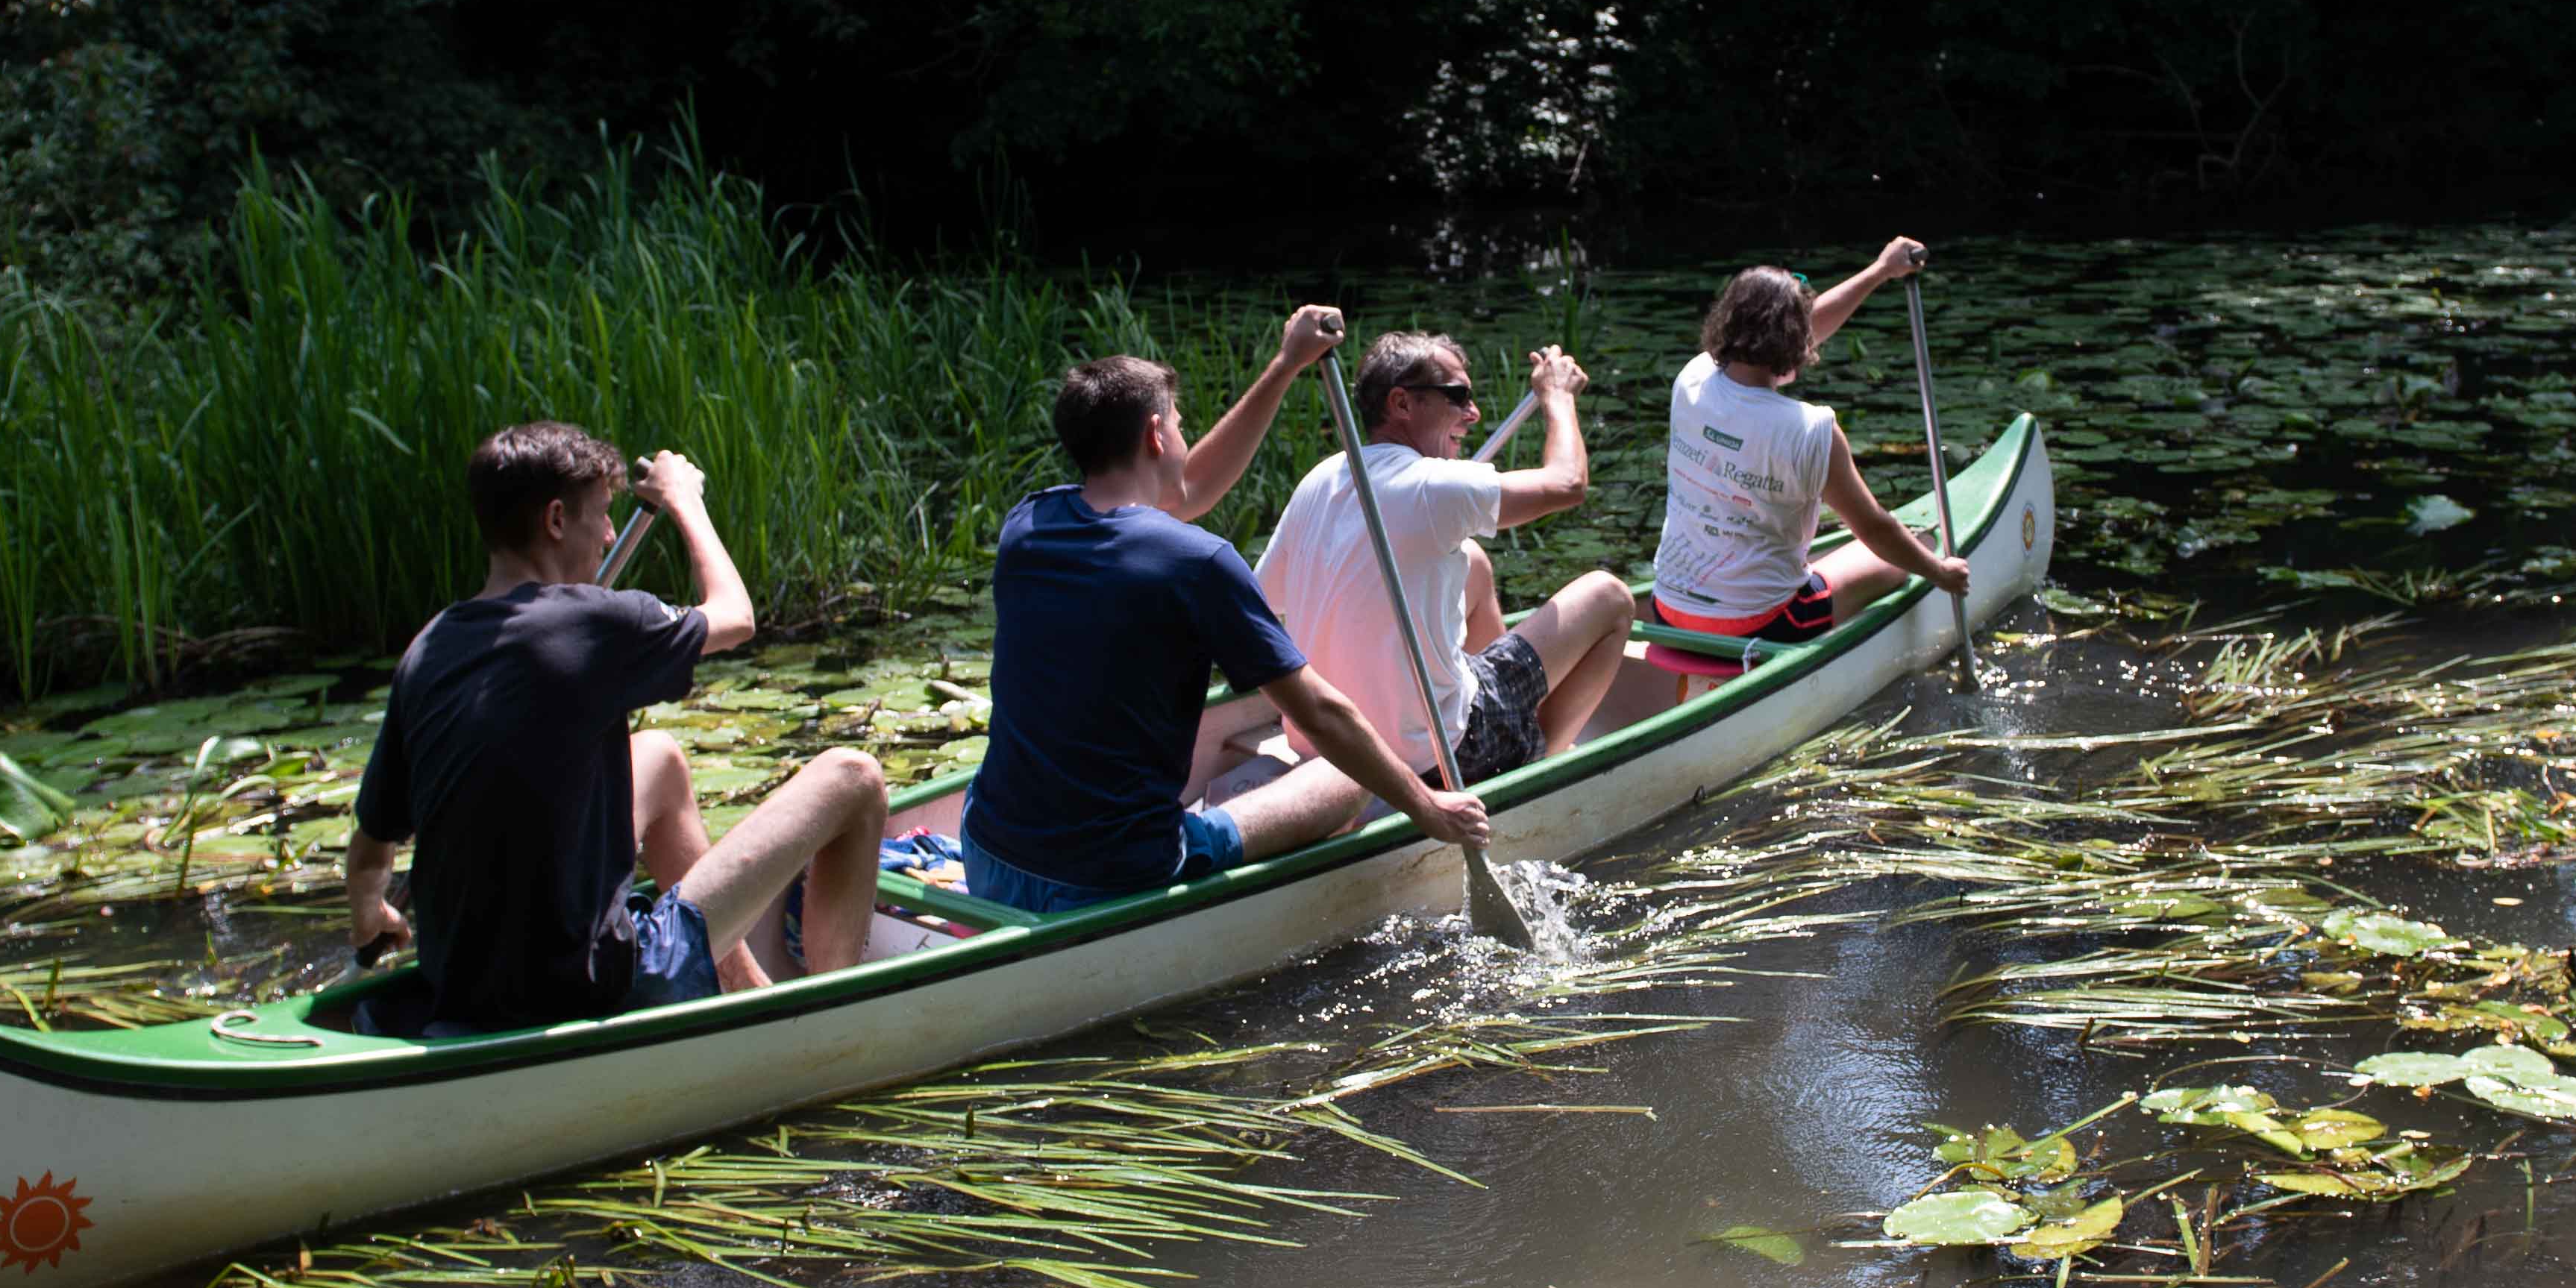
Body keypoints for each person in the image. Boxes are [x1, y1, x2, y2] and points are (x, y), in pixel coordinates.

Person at [343, 423, 886, 1037]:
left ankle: (743, 990)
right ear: (554, 520)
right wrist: (684, 499)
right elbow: (736, 616)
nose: (608, 535)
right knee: (855, 777)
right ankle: (830, 1030)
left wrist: (371, 911)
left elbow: (368, 854)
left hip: (461, 986)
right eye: (601, 517)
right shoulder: (590, 622)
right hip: (583, 987)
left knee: (656, 756)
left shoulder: (432, 646)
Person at [961, 313, 1493, 914]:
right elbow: (1318, 711)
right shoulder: (1199, 563)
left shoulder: (1025, 526)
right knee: (1346, 775)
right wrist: (1428, 808)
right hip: (1113, 874)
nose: (1187, 442)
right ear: (1157, 437)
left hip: (987, 855)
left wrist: (1287, 364)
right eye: (1183, 427)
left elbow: (1181, 497)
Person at [1252, 333, 1634, 792]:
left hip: (1323, 743)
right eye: (1458, 397)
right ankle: (1535, 766)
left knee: (1471, 560)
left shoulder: (1322, 477)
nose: (1472, 414)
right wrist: (1556, 396)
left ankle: (1513, 718)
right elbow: (1568, 483)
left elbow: (1267, 598)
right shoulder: (1431, 485)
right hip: (1436, 755)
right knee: (1609, 596)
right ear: (1402, 403)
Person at [1641, 238, 1972, 676]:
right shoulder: (1812, 430)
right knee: (1896, 562)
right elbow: (1872, 526)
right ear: (1795, 342)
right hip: (1764, 626)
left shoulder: (1692, 378)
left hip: (1667, 610)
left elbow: (1802, 327)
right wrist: (1940, 572)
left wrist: (1879, 272)